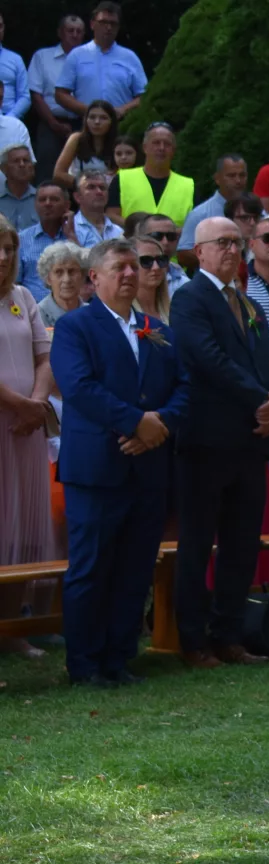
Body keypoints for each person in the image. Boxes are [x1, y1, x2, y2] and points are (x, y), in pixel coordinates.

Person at [50, 236, 184, 684]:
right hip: (97, 468)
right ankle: (85, 664)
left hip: (147, 467)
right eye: (120, 267)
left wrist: (158, 424)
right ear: (94, 277)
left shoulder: (156, 328)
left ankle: (119, 657)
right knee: (91, 568)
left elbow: (183, 387)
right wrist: (134, 423)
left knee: (134, 567)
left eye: (136, 266)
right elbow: (79, 387)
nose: (131, 274)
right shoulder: (76, 327)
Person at [169, 215, 269, 670]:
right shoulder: (189, 299)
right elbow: (209, 360)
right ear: (199, 252)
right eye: (222, 243)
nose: (233, 251)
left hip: (250, 442)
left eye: (238, 243)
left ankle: (230, 634)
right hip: (206, 442)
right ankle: (193, 640)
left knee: (242, 544)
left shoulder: (250, 305)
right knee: (198, 545)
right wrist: (262, 400)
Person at [0, 215, 54, 658]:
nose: (2, 257)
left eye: (9, 248)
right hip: (5, 422)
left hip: (25, 429)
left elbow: (44, 357)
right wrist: (19, 406)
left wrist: (35, 406)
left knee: (24, 529)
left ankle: (15, 627)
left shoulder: (22, 297)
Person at [53, 3, 144, 120]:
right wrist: (90, 111)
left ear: (118, 27)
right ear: (92, 24)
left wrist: (123, 110)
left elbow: (144, 96)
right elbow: (60, 94)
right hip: (85, 124)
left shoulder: (130, 57)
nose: (108, 27)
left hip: (120, 124)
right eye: (103, 22)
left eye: (113, 23)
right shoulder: (77, 55)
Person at [28, 15, 87, 181]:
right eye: (70, 30)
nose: (75, 35)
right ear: (60, 33)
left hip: (84, 123)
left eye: (79, 31)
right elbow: (36, 95)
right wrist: (53, 123)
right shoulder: (42, 57)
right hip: (51, 122)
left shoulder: (91, 59)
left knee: (84, 173)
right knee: (47, 170)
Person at [108, 123, 192, 228]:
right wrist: (139, 229)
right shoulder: (122, 178)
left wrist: (170, 233)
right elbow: (111, 214)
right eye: (156, 143)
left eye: (167, 144)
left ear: (173, 150)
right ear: (145, 147)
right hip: (131, 242)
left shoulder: (189, 186)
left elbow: (194, 224)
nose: (161, 148)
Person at [18, 182, 72, 301]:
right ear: (35, 205)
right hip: (33, 311)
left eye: (54, 199)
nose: (47, 204)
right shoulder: (21, 240)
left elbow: (89, 275)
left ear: (67, 205)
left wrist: (72, 236)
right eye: (42, 200)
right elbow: (16, 284)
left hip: (72, 311)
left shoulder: (80, 235)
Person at [181, 153, 246, 248]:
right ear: (217, 179)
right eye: (231, 176)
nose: (238, 180)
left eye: (242, 175)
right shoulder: (199, 215)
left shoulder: (257, 213)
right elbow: (184, 252)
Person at [52, 99, 116, 189]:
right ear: (86, 120)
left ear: (112, 122)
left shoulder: (117, 143)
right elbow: (58, 174)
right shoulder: (76, 139)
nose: (97, 122)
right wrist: (85, 185)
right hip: (79, 193)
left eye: (103, 118)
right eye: (92, 117)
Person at [35, 240, 86, 327]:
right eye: (59, 272)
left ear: (82, 275)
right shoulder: (37, 316)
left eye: (72, 271)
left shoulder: (92, 313)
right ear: (48, 279)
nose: (67, 279)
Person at [133, 212, 187, 293]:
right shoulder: (129, 276)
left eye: (171, 236)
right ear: (141, 238)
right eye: (157, 236)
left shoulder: (184, 282)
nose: (165, 242)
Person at [72, 167, 118, 246]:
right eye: (91, 187)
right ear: (78, 197)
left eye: (102, 187)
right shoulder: (70, 229)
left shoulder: (118, 231)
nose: (99, 192)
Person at [131, 232, 171, 320]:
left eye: (161, 260)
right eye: (146, 261)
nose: (156, 267)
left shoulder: (175, 309)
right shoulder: (124, 314)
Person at [0, 144, 35, 231]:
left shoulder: (43, 200)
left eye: (26, 161)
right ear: (4, 168)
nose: (22, 165)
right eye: (16, 161)